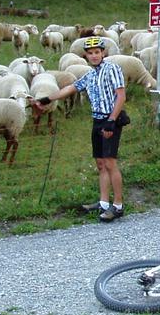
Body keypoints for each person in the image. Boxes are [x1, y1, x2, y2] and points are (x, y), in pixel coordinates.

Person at [36, 36, 127, 223]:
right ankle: (103, 202)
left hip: (111, 120)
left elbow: (121, 95)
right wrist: (48, 99)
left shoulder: (113, 69)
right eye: (90, 53)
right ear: (86, 56)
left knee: (110, 163)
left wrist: (112, 120)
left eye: (97, 52)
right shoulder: (90, 74)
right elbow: (71, 88)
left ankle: (118, 205)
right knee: (100, 163)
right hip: (97, 120)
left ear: (103, 53)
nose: (94, 56)